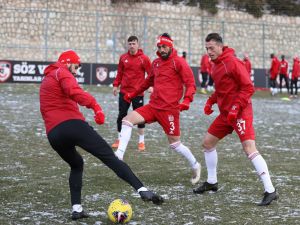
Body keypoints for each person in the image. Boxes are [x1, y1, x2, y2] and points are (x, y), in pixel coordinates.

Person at [39, 50, 163, 221]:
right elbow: (74, 92)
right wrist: (95, 106)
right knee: (110, 158)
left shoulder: (47, 78)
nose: (76, 71)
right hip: (72, 125)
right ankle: (142, 190)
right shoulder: (62, 72)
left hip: (53, 134)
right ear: (67, 62)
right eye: (76, 66)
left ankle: (77, 209)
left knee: (77, 164)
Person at [193, 33, 278, 206]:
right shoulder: (215, 65)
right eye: (206, 48)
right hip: (226, 114)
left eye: (211, 48)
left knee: (249, 149)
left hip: (240, 112)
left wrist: (235, 108)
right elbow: (221, 90)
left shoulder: (233, 62)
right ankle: (212, 182)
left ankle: (270, 190)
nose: (209, 52)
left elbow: (248, 87)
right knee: (208, 143)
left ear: (220, 46)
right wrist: (211, 101)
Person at [114, 33, 201, 185]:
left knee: (175, 144)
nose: (161, 49)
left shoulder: (179, 62)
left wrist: (187, 100)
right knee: (126, 120)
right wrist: (132, 94)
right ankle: (119, 156)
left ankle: (195, 164)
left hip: (169, 110)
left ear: (170, 46)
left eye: (164, 46)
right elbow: (147, 82)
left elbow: (191, 84)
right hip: (153, 107)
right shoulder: (156, 63)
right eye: (159, 47)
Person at [112, 36, 151, 151]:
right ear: (127, 45)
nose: (132, 46)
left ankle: (141, 141)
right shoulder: (123, 58)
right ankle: (119, 139)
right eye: (130, 44)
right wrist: (115, 85)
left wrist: (151, 86)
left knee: (140, 118)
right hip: (124, 92)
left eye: (134, 43)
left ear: (138, 44)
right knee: (121, 115)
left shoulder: (144, 59)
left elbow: (150, 74)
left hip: (138, 93)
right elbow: (119, 73)